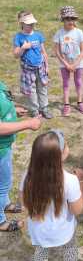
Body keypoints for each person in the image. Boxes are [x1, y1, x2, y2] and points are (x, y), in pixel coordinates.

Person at [18, 131, 83, 261]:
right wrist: (81, 181)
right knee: (70, 248)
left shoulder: (27, 176)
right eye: (66, 145)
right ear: (61, 155)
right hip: (64, 231)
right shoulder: (70, 180)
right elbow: (77, 210)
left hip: (40, 231)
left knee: (42, 249)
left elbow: (23, 202)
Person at [0, 81, 42, 232]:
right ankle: (0, 221)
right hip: (1, 149)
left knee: (4, 182)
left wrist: (11, 111)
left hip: (4, 146)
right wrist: (27, 124)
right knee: (3, 185)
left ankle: (4, 203)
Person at [13, 11, 52, 119]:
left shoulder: (38, 35)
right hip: (28, 71)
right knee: (31, 91)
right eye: (28, 23)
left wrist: (47, 66)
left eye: (32, 23)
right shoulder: (19, 37)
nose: (31, 25)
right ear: (21, 24)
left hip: (40, 68)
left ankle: (44, 108)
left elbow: (44, 53)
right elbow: (16, 55)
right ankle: (34, 110)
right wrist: (23, 47)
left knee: (42, 89)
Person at [54, 6, 83, 117]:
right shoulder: (59, 33)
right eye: (68, 19)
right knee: (66, 83)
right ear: (63, 20)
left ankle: (80, 102)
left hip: (78, 64)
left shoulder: (79, 32)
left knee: (78, 81)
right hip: (65, 65)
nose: (71, 22)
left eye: (73, 19)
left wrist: (75, 64)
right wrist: (67, 65)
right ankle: (67, 104)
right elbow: (58, 52)